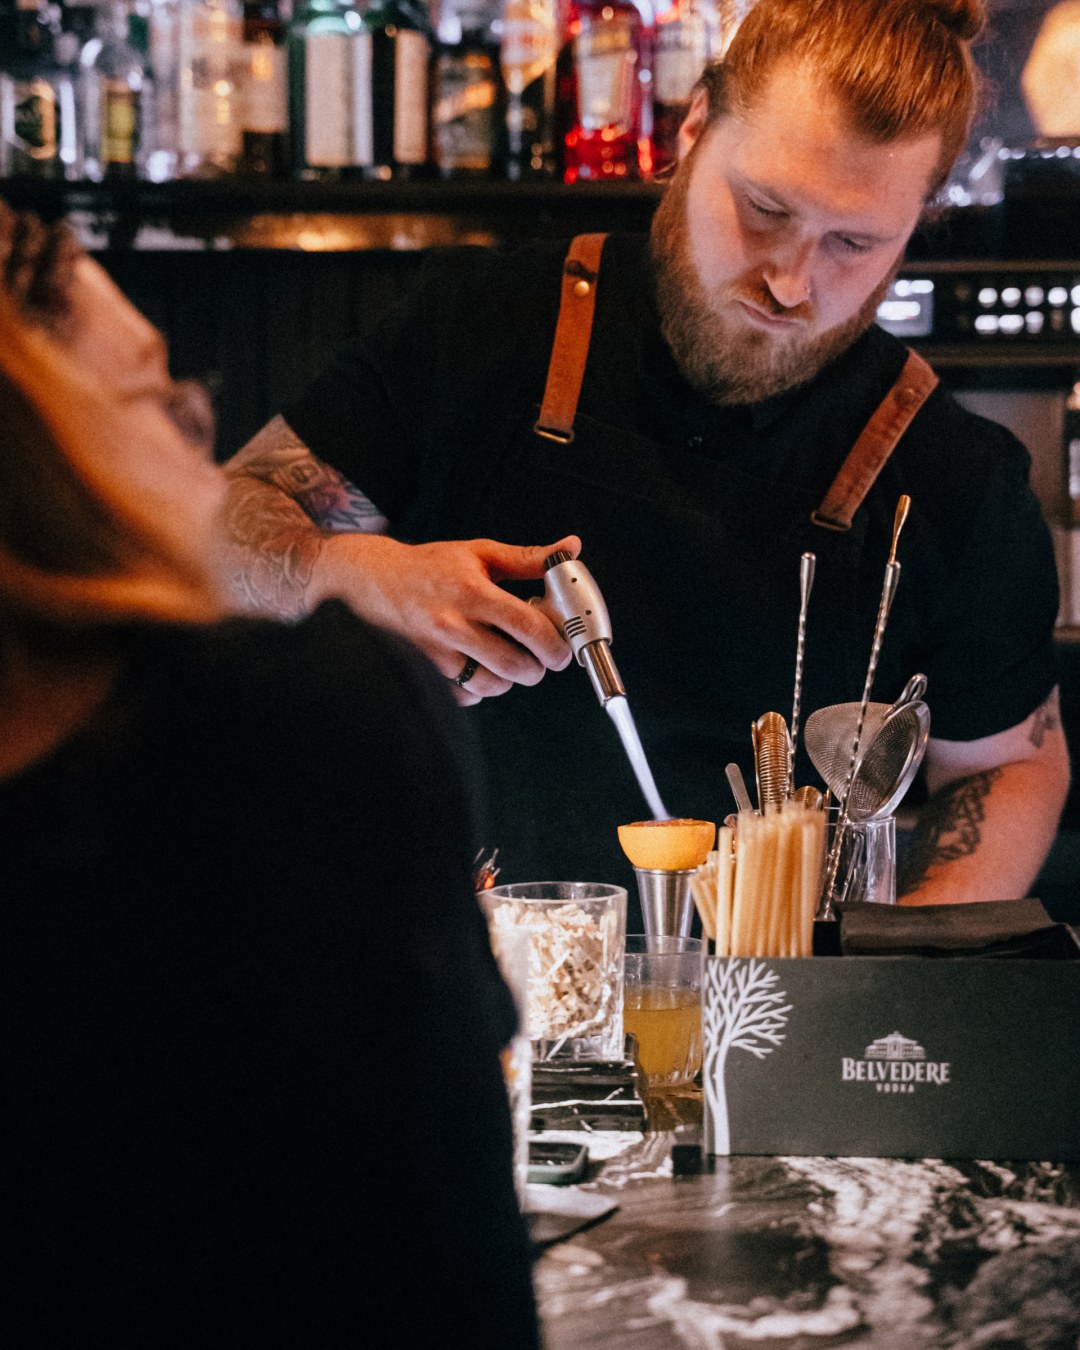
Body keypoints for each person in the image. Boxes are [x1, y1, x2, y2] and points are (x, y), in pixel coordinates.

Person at [220, 0, 1069, 916]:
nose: (789, 281)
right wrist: (356, 574)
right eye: (764, 209)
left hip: (771, 993)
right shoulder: (482, 327)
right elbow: (209, 527)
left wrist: (882, 981)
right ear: (693, 129)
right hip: (443, 956)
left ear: (917, 223)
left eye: (854, 244)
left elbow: (1007, 767)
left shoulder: (954, 477)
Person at [0, 203, 540, 1349]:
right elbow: (448, 1281)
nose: (206, 462)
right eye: (160, 401)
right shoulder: (316, 725)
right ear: (40, 461)